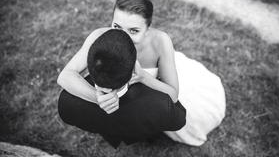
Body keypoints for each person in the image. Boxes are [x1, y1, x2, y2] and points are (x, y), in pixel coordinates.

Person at [57, 0, 226, 147]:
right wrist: (99, 98)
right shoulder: (99, 36)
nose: (123, 36)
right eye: (117, 26)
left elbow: (173, 95)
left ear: (148, 28)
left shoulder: (160, 41)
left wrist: (143, 77)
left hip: (147, 95)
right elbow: (65, 76)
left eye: (134, 31)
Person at [58, 29, 186, 148]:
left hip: (102, 125)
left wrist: (97, 98)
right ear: (134, 67)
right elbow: (179, 120)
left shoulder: (66, 103)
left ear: (88, 65)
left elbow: (65, 77)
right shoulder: (161, 105)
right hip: (140, 128)